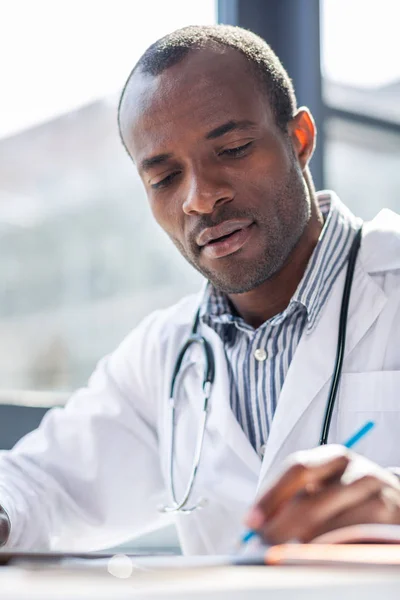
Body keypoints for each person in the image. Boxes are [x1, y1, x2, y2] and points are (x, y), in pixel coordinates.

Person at [1, 24, 400, 554]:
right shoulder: (162, 355)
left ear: (299, 140)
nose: (200, 198)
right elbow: (40, 485)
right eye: (165, 179)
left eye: (233, 149)